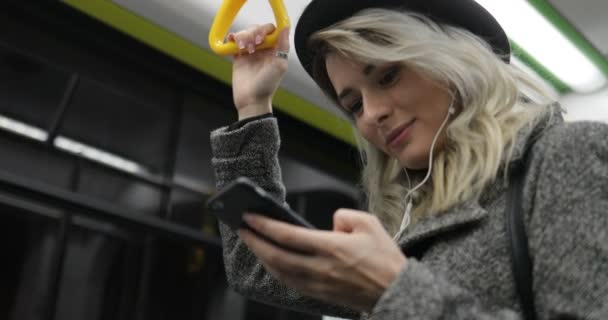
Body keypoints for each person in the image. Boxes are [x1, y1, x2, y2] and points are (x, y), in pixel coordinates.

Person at [209, 0, 608, 319]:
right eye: (354, 104)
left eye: (387, 76)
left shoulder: (564, 158)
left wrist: (393, 290)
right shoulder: (406, 226)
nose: (373, 113)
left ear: (452, 62)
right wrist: (253, 104)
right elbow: (258, 268)